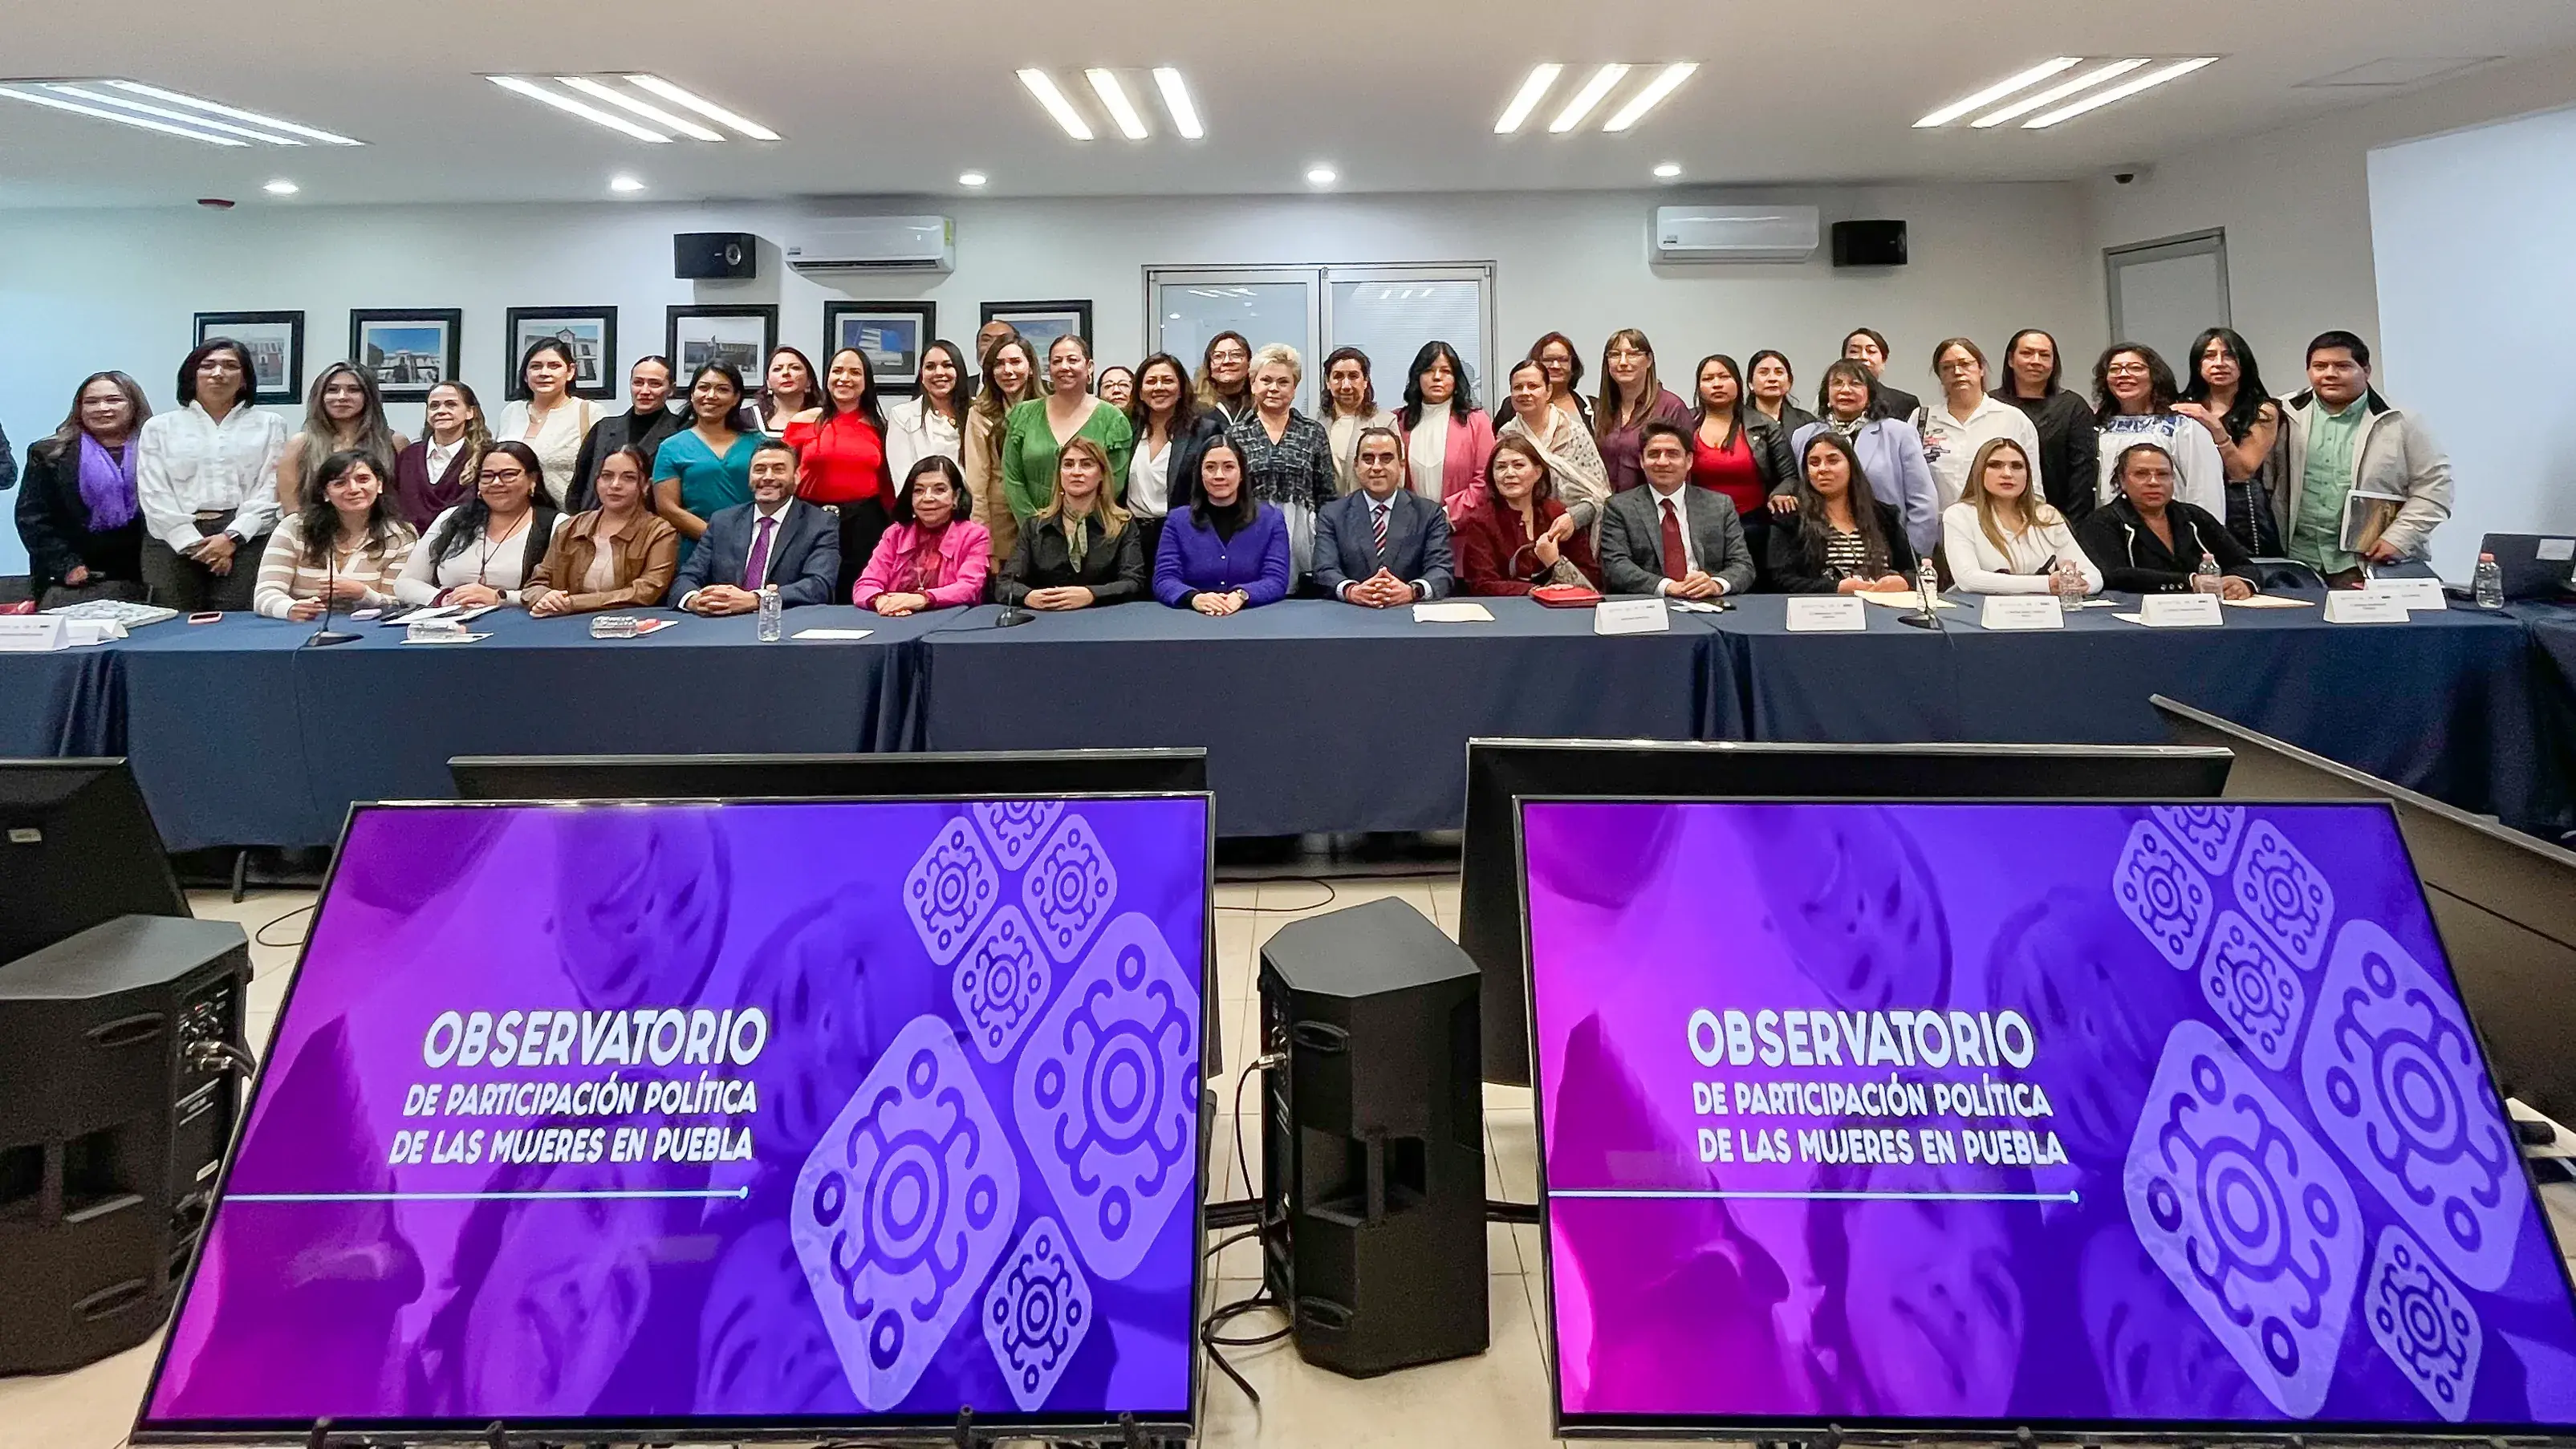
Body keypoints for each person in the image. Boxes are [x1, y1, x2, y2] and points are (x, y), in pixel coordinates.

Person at [2274, 331, 2452, 583]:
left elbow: (2436, 488)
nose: (2330, 374)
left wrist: (2399, 538)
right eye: (2320, 366)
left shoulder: (2401, 421)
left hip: (2364, 564)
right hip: (2292, 564)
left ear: (2366, 370)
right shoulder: (2279, 413)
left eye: (2343, 366)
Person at [136, 338, 289, 611]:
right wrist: (196, 546)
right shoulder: (159, 427)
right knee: (172, 625)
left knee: (238, 625)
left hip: (247, 538)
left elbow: (271, 487)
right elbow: (154, 492)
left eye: (230, 366)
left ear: (244, 379)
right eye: (208, 366)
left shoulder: (270, 424)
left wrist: (231, 538)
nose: (218, 373)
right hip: (171, 539)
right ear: (191, 375)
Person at [17, 371, 152, 606]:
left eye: (113, 400)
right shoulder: (49, 453)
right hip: (74, 576)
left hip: (148, 571)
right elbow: (32, 518)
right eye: (91, 402)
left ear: (134, 405)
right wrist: (66, 565)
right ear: (79, 408)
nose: (102, 408)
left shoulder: (158, 449)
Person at [1788, 360, 1940, 556]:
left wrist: (1913, 555)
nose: (1845, 390)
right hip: (1822, 548)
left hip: (1890, 548)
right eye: (1837, 383)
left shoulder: (1899, 433)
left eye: (1855, 383)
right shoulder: (1804, 436)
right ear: (1826, 395)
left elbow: (1923, 501)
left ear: (1870, 394)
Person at [672, 438, 841, 615]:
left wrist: (757, 599)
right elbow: (686, 578)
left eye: (778, 469)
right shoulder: (723, 521)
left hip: (784, 621)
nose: (767, 477)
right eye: (759, 470)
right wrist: (695, 600)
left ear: (797, 476)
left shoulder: (820, 523)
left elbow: (820, 585)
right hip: (722, 621)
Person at [395, 440, 566, 607]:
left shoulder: (557, 525)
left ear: (533, 479)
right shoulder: (452, 518)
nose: (496, 483)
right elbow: (405, 583)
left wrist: (501, 597)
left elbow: (564, 593)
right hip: (449, 618)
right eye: (487, 476)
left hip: (522, 621)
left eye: (508, 474)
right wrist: (443, 598)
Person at [1002, 335, 1135, 549]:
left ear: (1089, 367)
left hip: (1094, 535)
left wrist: (1076, 526)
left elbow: (1114, 483)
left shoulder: (1113, 419)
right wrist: (1036, 528)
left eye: (1072, 360)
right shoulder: (1023, 415)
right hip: (1034, 537)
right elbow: (1012, 479)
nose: (1064, 367)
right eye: (1057, 361)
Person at [2077, 442, 2259, 597]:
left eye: (2163, 474)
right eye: (2141, 474)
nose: (2154, 482)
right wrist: (2189, 582)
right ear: (2121, 481)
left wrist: (2241, 582)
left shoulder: (2194, 516)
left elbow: (2243, 564)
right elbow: (2114, 575)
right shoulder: (2102, 522)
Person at [786, 347, 897, 599]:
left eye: (855, 372)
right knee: (808, 591)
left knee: (858, 594)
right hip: (810, 518)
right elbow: (784, 473)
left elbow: (888, 485)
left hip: (865, 523)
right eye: (837, 371)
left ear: (866, 382)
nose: (844, 378)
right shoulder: (803, 421)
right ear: (827, 377)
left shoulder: (881, 427)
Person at [251, 449, 416, 620]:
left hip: (371, 630)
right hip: (300, 627)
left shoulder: (400, 536)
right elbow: (265, 593)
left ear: (379, 485)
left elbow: (401, 603)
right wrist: (290, 608)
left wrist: (364, 594)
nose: (353, 489)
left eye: (363, 479)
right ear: (325, 493)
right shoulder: (294, 527)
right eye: (340, 483)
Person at [1599, 420, 1754, 599]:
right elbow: (1616, 566)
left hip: (1708, 600)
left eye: (1672, 454)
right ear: (1642, 461)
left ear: (1689, 461)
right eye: (1654, 454)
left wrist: (1716, 584)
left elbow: (1743, 565)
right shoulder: (1619, 508)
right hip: (1650, 602)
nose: (1662, 462)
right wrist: (1668, 587)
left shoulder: (1720, 505)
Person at [525, 444, 680, 615]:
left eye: (628, 478)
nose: (615, 485)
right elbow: (535, 584)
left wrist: (573, 603)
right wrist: (546, 597)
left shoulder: (659, 532)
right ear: (597, 481)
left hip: (630, 621)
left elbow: (646, 591)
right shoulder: (570, 527)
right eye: (607, 476)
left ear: (645, 486)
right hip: (565, 621)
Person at [996, 435, 1146, 610]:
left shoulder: (1123, 525)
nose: (1076, 472)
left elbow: (1134, 583)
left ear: (1101, 475)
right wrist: (1027, 596)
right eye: (1068, 464)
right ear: (1059, 474)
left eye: (1086, 464)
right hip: (1047, 617)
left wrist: (1092, 594)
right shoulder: (1035, 526)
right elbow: (1005, 584)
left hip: (1103, 616)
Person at [1228, 343, 1335, 581]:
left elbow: (1327, 496)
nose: (1274, 388)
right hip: (1248, 530)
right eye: (1266, 380)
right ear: (1253, 384)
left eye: (1283, 382)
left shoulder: (1312, 432)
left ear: (1295, 388)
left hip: (1302, 536)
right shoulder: (1235, 435)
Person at [1312, 425, 1455, 604]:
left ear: (1401, 465)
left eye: (1386, 458)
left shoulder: (1429, 514)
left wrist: (1412, 591)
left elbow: (1441, 569)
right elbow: (1324, 570)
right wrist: (1352, 591)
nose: (1377, 467)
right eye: (1368, 459)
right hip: (1351, 614)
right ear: (1356, 465)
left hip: (1408, 612)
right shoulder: (1332, 514)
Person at [1939, 438, 2100, 595]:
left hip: (2040, 609)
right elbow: (1968, 579)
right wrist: (2046, 584)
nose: (2007, 474)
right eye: (1995, 465)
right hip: (1977, 609)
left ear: (2028, 474)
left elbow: (2094, 576)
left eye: (2017, 466)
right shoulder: (1960, 515)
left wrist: (2081, 584)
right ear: (1979, 472)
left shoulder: (2047, 515)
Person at [2175, 327, 2285, 554]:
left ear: (2243, 363)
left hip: (2240, 506)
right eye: (2209, 356)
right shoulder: (2182, 405)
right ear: (2197, 364)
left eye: (2229, 356)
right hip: (2189, 499)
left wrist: (2214, 426)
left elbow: (2242, 472)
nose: (2219, 363)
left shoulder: (2262, 410)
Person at [1154, 436, 1291, 613]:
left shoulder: (1271, 520)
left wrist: (1241, 596)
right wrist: (1194, 597)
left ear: (1241, 474)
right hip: (1193, 619)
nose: (1219, 475)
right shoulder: (1177, 521)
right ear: (1200, 474)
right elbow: (1164, 579)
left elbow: (1276, 580)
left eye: (1229, 467)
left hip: (1253, 618)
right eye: (1210, 467)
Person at [1768, 433, 1918, 595]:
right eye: (1814, 463)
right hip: (1824, 607)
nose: (1822, 469)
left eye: (1833, 461)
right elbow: (1780, 580)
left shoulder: (1885, 516)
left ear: (1851, 466)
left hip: (1884, 604)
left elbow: (1917, 571)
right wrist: (1835, 588)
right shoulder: (1791, 518)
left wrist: (1904, 581)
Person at [1451, 434, 1599, 596]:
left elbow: (1592, 580)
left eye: (1518, 465)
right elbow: (1482, 584)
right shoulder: (1480, 521)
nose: (1509, 473)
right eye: (1501, 467)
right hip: (1504, 608)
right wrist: (1537, 591)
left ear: (1537, 472)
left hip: (1562, 607)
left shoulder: (1559, 516)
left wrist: (1555, 563)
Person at [2090, 344, 2224, 518]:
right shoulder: (2099, 427)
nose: (2123, 374)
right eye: (2115, 369)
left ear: (2155, 376)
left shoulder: (2183, 426)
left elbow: (2205, 489)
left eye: (2135, 368)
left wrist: (2204, 529)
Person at [1915, 338, 2041, 516]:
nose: (1957, 372)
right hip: (1936, 527)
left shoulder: (2013, 419)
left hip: (1996, 525)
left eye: (1965, 364)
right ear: (1940, 376)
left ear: (1981, 369)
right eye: (1947, 367)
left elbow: (2034, 488)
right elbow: (1910, 483)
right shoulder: (1922, 419)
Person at [652, 362, 758, 570]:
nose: (711, 395)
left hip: (753, 546)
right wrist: (717, 538)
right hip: (695, 550)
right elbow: (668, 508)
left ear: (736, 398)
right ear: (692, 394)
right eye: (703, 387)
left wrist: (746, 540)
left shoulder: (759, 444)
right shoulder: (671, 447)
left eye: (722, 389)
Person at [852, 456, 990, 615]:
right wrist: (881, 601)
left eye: (940, 490)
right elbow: (865, 585)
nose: (927, 498)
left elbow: (970, 587)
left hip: (951, 621)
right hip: (895, 619)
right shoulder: (895, 534)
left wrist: (920, 599)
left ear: (956, 497)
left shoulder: (975, 535)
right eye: (919, 490)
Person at [1685, 354, 1786, 566]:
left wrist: (1781, 493)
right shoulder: (1685, 424)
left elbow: (1789, 476)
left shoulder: (1764, 425)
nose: (1717, 384)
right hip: (1698, 525)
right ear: (1699, 387)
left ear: (1738, 383)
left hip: (1754, 525)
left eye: (1724, 377)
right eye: (1708, 379)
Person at [1990, 329, 2099, 523]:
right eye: (2027, 353)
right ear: (2011, 360)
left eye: (2044, 355)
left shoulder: (2072, 406)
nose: (2036, 361)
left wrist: (2068, 526)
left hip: (2060, 518)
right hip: (1995, 517)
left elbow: (2083, 473)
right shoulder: (1990, 404)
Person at [275, 361, 406, 509]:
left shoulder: (395, 442)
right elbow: (292, 509)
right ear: (320, 396)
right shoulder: (300, 444)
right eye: (332, 390)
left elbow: (407, 501)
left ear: (369, 396)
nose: (342, 397)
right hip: (315, 523)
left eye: (353, 390)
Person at [1125, 352, 1219, 550]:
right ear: (1140, 392)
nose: (1159, 387)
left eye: (1167, 381)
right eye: (1151, 381)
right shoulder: (1126, 430)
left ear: (1181, 390)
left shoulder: (1204, 431)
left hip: (1183, 535)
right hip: (1131, 536)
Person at [568, 356, 686, 513]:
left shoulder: (682, 432)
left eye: (655, 384)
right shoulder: (604, 428)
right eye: (638, 383)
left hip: (651, 523)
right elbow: (578, 486)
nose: (645, 391)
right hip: (595, 520)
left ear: (671, 389)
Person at [494, 338, 600, 509]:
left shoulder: (589, 412)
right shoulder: (511, 412)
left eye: (554, 366)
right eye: (536, 367)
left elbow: (601, 472)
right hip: (514, 515)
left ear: (570, 372)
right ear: (525, 375)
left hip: (570, 517)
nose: (544, 373)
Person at [964, 335, 1038, 569]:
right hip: (1001, 522)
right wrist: (983, 543)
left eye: (1015, 362)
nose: (1008, 371)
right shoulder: (980, 413)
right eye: (999, 364)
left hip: (1043, 516)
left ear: (1031, 368)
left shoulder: (1050, 406)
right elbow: (977, 482)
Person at [1595, 329, 1692, 493]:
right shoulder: (1602, 409)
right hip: (1606, 505)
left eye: (1632, 354)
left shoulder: (1671, 407)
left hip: (1652, 506)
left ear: (1649, 360)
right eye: (1615, 355)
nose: (1623, 362)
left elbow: (1683, 473)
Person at [1399, 340, 1494, 505]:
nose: (1437, 377)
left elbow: (1485, 479)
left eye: (1445, 371)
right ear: (1417, 377)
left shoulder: (1477, 421)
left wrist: (1448, 514)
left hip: (1463, 518)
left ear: (1456, 379)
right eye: (1428, 370)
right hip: (1411, 519)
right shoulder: (1398, 421)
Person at [390, 380, 490, 531]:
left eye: (451, 404)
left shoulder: (486, 455)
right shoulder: (408, 456)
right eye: (434, 406)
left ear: (470, 412)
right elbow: (395, 505)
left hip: (463, 538)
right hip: (408, 540)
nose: (441, 411)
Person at [883, 339, 969, 485]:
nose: (939, 372)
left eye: (947, 365)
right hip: (923, 496)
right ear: (922, 375)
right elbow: (901, 477)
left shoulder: (976, 412)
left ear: (959, 371)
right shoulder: (902, 416)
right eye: (930, 367)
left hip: (971, 497)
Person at [1320, 346, 1399, 497]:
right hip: (1327, 509)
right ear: (1328, 382)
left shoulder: (1386, 422)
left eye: (1353, 376)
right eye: (1338, 376)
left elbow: (1396, 478)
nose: (1346, 386)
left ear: (1365, 381)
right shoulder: (1316, 426)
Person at [1745, 348, 1817, 484]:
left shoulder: (1807, 422)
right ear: (1750, 384)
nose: (1772, 379)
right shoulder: (1739, 421)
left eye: (1779, 372)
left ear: (1789, 382)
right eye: (1764, 372)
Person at [1843, 327, 1920, 420]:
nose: (1863, 357)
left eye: (1871, 351)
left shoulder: (1905, 403)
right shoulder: (1832, 398)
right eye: (1854, 351)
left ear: (1883, 361)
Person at [1528, 331, 1595, 432]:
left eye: (1563, 360)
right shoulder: (1514, 405)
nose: (1555, 366)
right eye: (1548, 360)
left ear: (1573, 366)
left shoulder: (1594, 407)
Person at [749, 347, 819, 437]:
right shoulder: (746, 419)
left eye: (795, 368)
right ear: (768, 383)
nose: (785, 373)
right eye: (777, 369)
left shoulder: (826, 418)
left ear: (809, 381)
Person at [1194, 331, 1254, 424]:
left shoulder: (1261, 406)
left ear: (1249, 363)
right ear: (1209, 366)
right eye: (1218, 356)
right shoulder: (1192, 408)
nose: (1227, 361)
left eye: (1236, 355)